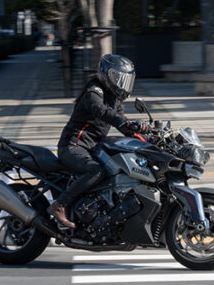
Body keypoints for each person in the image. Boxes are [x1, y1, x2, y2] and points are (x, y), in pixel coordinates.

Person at [47, 54, 144, 228]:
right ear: (108, 75)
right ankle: (59, 205)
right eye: (120, 79)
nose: (123, 84)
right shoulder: (93, 91)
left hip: (91, 148)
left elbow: (124, 125)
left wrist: (148, 137)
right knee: (96, 171)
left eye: (126, 80)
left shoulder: (114, 100)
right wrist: (123, 122)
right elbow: (100, 110)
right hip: (73, 145)